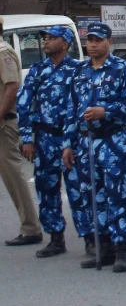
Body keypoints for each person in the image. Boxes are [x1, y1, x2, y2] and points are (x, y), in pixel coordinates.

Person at [62, 23, 126, 271]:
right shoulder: (80, 71)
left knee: (117, 195)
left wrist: (107, 111)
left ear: (109, 43)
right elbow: (72, 110)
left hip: (112, 140)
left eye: (97, 40)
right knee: (93, 196)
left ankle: (122, 248)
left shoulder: (121, 68)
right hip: (85, 142)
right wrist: (68, 144)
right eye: (89, 40)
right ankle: (102, 246)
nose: (92, 44)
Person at [16, 25, 82, 258]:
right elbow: (24, 104)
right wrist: (27, 139)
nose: (46, 41)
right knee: (46, 188)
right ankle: (56, 238)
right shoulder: (38, 70)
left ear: (64, 43)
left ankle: (92, 239)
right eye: (45, 37)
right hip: (44, 138)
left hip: (70, 138)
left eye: (51, 38)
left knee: (78, 190)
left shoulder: (78, 70)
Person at [1, 15, 42, 247]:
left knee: (14, 177)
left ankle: (30, 228)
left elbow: (12, 87)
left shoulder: (3, 52)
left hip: (4, 123)